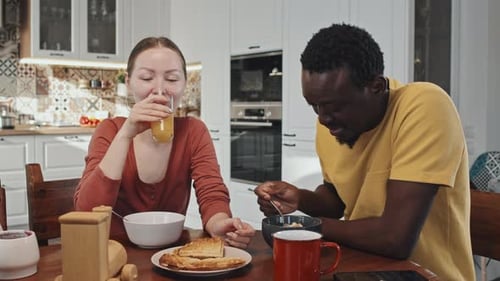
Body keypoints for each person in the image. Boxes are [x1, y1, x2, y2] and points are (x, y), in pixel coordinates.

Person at [254, 23, 474, 280]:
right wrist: (299, 199)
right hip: (359, 268)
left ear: (376, 87)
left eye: (334, 107)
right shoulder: (331, 124)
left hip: (426, 274)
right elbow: (337, 201)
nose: (324, 119)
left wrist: (306, 226)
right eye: (315, 106)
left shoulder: (424, 105)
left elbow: (395, 238)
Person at [75, 37, 255, 249]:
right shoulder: (110, 130)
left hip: (172, 254)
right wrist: (125, 135)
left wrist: (218, 224)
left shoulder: (193, 131)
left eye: (171, 79)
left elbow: (211, 192)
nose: (160, 90)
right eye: (146, 77)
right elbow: (87, 213)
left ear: (184, 85)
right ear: (129, 81)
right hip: (112, 255)